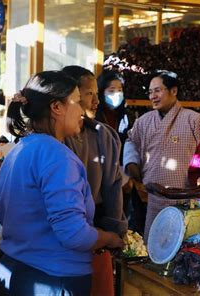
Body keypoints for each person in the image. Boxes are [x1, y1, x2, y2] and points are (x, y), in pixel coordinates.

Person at [0, 71, 124, 295]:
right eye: (76, 101)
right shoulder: (58, 157)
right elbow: (74, 234)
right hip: (51, 279)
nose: (82, 110)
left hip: (13, 271)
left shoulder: (18, 151)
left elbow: (1, 213)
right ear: (57, 107)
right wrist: (109, 238)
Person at [62, 66, 128, 296]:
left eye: (95, 94)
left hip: (99, 230)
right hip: (63, 235)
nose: (96, 100)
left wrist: (114, 231)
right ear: (71, 96)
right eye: (89, 93)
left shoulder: (105, 136)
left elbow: (113, 188)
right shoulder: (55, 140)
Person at [123, 70, 200, 233]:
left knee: (188, 246)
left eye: (157, 90)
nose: (152, 96)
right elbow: (130, 142)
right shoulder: (143, 121)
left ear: (174, 91)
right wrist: (131, 163)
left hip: (187, 198)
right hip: (153, 199)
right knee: (156, 248)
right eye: (150, 92)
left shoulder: (195, 120)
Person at [96, 69, 136, 151]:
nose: (117, 94)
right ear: (101, 92)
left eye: (119, 90)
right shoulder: (95, 115)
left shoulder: (127, 116)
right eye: (111, 90)